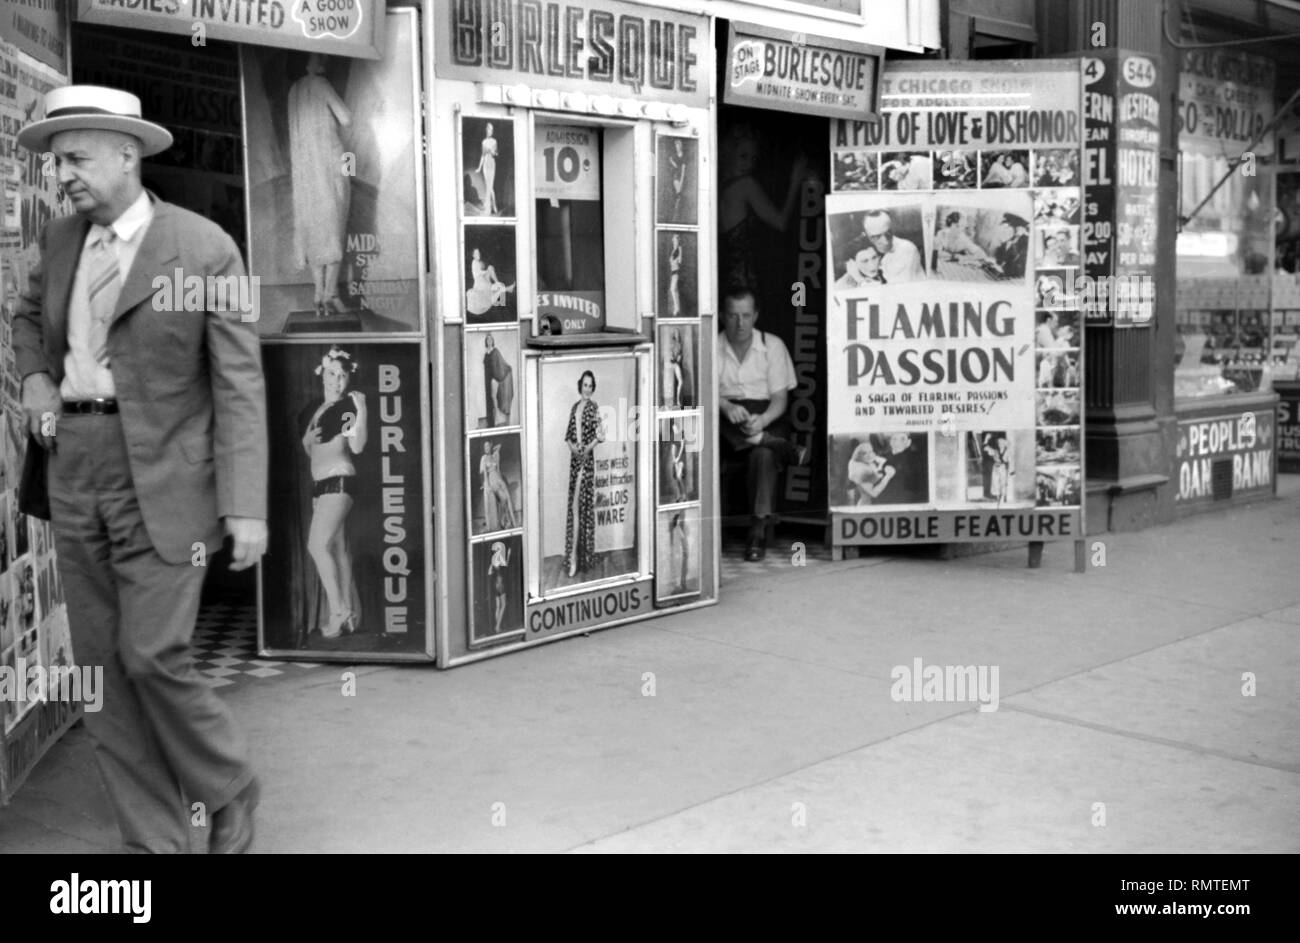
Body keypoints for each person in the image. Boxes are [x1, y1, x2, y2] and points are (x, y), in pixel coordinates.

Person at [14, 86, 268, 853]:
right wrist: (34, 380)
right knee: (101, 668)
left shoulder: (206, 248)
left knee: (152, 652)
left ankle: (228, 784)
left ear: (128, 154)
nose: (63, 175)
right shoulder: (60, 243)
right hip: (74, 466)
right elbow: (27, 317)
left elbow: (238, 382)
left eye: (77, 158)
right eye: (57, 162)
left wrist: (245, 504)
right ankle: (155, 842)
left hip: (165, 476)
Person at [717, 286, 808, 561]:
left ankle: (756, 532)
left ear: (756, 315)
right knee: (704, 430)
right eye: (733, 316)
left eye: (745, 315)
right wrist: (726, 405)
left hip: (765, 415)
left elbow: (780, 400)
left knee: (763, 455)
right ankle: (780, 446)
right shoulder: (710, 346)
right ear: (722, 316)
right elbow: (699, 392)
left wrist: (763, 421)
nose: (740, 323)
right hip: (724, 416)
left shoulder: (772, 345)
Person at [302, 347, 366, 639]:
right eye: (332, 374)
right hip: (322, 487)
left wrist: (362, 412)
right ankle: (348, 616)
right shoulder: (319, 409)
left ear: (348, 379)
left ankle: (338, 611)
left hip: (339, 482)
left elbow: (357, 447)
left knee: (317, 546)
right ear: (322, 374)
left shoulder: (346, 408)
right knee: (338, 551)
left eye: (342, 376)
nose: (336, 380)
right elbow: (311, 451)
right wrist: (306, 439)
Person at [288, 53, 353, 317]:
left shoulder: (293, 91)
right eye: (318, 58)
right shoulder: (322, 85)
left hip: (304, 170)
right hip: (329, 163)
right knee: (334, 225)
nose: (322, 64)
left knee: (313, 228)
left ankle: (318, 295)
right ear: (308, 62)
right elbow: (346, 118)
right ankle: (331, 294)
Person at [719, 123, 809, 294]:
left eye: (753, 158)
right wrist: (795, 181)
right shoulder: (746, 185)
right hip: (745, 277)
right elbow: (781, 222)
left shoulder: (720, 186)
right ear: (729, 153)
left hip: (725, 275)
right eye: (743, 156)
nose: (748, 164)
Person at [564, 370, 604, 579]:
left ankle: (578, 558)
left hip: (586, 462)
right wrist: (574, 449)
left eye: (590, 385)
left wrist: (586, 450)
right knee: (574, 508)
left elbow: (600, 435)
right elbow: (568, 437)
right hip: (575, 461)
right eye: (585, 385)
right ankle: (573, 557)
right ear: (580, 386)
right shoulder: (574, 408)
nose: (587, 389)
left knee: (582, 507)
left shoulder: (594, 407)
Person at [862, 211, 925, 283]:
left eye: (888, 233)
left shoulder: (906, 249)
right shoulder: (865, 249)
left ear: (892, 229)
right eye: (877, 236)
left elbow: (897, 290)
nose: (885, 241)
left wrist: (860, 280)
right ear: (868, 236)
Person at [877, 433, 927, 504]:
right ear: (890, 442)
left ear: (908, 442)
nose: (898, 442)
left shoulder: (913, 459)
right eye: (894, 439)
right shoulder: (884, 457)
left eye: (902, 439)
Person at [480, 441, 518, 531]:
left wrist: (495, 449)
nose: (486, 448)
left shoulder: (494, 456)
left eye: (488, 446)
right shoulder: (484, 458)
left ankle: (507, 521)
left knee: (506, 499)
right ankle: (501, 520)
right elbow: (485, 473)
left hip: (499, 479)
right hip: (492, 480)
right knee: (503, 499)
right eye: (485, 446)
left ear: (490, 446)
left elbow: (499, 446)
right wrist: (487, 485)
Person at [466, 247, 514, 316]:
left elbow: (484, 272)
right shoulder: (474, 262)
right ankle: (507, 289)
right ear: (473, 255)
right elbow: (478, 273)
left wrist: (488, 271)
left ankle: (498, 283)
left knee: (490, 267)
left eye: (479, 253)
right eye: (476, 253)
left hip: (484, 281)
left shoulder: (478, 262)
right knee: (491, 296)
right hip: (480, 284)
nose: (478, 254)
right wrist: (486, 271)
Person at [845, 438, 895, 505]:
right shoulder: (860, 471)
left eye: (870, 451)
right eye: (864, 453)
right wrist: (888, 476)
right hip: (865, 506)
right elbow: (874, 493)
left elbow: (881, 462)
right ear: (859, 456)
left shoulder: (869, 464)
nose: (869, 455)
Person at [985, 213, 1030, 280]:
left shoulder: (1025, 243)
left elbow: (1021, 267)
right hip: (999, 275)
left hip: (1015, 279)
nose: (1005, 231)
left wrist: (1002, 269)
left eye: (1008, 227)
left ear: (1022, 228)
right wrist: (993, 263)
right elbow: (999, 258)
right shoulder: (1009, 241)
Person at [482, 333, 514, 427]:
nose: (489, 342)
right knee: (489, 400)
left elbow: (501, 363)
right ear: (486, 342)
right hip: (486, 379)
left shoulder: (495, 351)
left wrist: (507, 368)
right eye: (487, 340)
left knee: (494, 399)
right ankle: (490, 421)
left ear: (493, 341)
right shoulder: (485, 354)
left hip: (493, 379)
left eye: (490, 340)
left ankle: (496, 421)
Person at [476, 121, 499, 215]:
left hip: (492, 164)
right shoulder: (483, 142)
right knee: (489, 187)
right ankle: (493, 206)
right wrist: (479, 167)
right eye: (489, 129)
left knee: (490, 186)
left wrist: (493, 152)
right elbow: (482, 155)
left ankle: (489, 207)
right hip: (485, 165)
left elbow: (497, 153)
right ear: (486, 130)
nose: (490, 131)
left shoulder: (494, 141)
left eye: (492, 129)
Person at [488, 540, 510, 633]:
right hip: (500, 583)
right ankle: (497, 626)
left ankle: (497, 627)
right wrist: (508, 554)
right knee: (504, 605)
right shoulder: (499, 559)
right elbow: (506, 564)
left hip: (495, 584)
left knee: (497, 606)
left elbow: (489, 573)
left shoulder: (493, 561)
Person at [663, 329, 684, 409]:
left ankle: (678, 400)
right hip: (672, 364)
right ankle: (672, 402)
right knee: (672, 383)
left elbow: (680, 355)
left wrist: (679, 357)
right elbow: (670, 355)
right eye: (676, 333)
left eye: (678, 333)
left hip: (676, 364)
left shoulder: (679, 344)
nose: (677, 335)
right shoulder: (672, 343)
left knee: (680, 381)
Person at [668, 233, 684, 317]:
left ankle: (676, 307)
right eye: (673, 240)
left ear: (678, 241)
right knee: (674, 290)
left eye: (675, 240)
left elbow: (680, 260)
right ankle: (676, 308)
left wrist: (676, 260)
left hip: (676, 271)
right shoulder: (673, 250)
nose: (674, 242)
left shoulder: (679, 249)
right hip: (672, 272)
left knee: (672, 289)